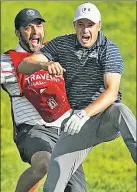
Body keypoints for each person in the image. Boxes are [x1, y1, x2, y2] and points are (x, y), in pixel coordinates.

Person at [17, 3, 136, 192]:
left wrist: (85, 114)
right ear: (74, 26)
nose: (85, 29)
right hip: (77, 125)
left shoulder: (109, 49)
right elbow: (24, 65)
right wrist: (45, 65)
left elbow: (112, 92)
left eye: (90, 24)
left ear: (99, 26)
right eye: (81, 24)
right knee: (53, 184)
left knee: (122, 111)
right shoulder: (62, 44)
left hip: (104, 118)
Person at [1, 8, 87, 192]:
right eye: (28, 27)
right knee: (44, 164)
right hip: (31, 130)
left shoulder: (59, 54)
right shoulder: (7, 62)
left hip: (65, 133)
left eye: (38, 25)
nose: (35, 31)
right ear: (17, 33)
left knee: (77, 189)